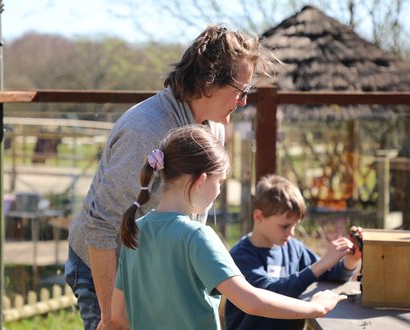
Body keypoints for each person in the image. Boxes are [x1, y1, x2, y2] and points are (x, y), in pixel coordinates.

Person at [65, 24, 278, 329]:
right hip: (102, 266)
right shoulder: (145, 132)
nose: (244, 101)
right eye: (241, 91)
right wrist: (112, 316)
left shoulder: (213, 126)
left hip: (147, 267)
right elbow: (100, 227)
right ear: (208, 83)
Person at [110, 125, 347, 329]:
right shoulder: (196, 236)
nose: (220, 190)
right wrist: (315, 307)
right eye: (220, 182)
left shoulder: (135, 229)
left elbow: (118, 316)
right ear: (201, 180)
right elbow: (251, 301)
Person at [225, 174, 362, 330]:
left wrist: (350, 260)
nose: (291, 233)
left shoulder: (293, 248)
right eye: (284, 226)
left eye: (295, 226)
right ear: (259, 216)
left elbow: (329, 276)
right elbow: (271, 293)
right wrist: (321, 264)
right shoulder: (241, 257)